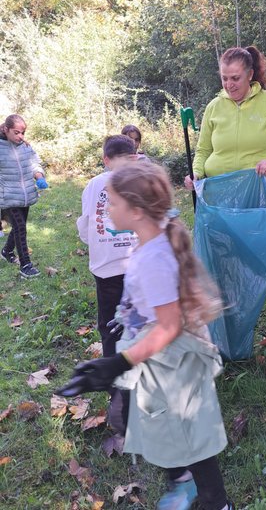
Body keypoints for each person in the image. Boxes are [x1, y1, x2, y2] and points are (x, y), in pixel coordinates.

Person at [57, 161, 233, 510]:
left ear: (136, 211)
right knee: (145, 419)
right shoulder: (148, 239)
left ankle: (216, 502)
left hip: (173, 360)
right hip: (154, 352)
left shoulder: (155, 256)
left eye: (113, 202)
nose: (108, 208)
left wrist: (119, 363)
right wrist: (126, 316)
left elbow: (168, 325)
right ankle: (182, 479)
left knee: (188, 433)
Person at [184, 46, 266, 343]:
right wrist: (196, 173)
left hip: (263, 192)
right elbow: (203, 150)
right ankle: (223, 317)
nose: (229, 84)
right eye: (224, 78)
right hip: (220, 193)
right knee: (222, 253)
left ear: (250, 75)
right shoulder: (214, 107)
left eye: (235, 78)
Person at [76, 134, 138, 434]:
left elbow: (86, 226)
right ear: (135, 158)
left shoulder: (93, 185)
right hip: (137, 266)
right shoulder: (140, 182)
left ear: (106, 160)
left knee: (111, 326)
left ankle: (117, 389)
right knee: (138, 321)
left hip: (107, 270)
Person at [0, 114, 48, 277]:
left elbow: (35, 164)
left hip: (26, 194)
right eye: (16, 132)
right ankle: (26, 265)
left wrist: (39, 176)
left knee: (18, 227)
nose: (20, 136)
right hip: (8, 197)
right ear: (6, 129)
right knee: (20, 227)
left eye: (23, 133)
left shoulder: (25, 146)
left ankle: (7, 251)